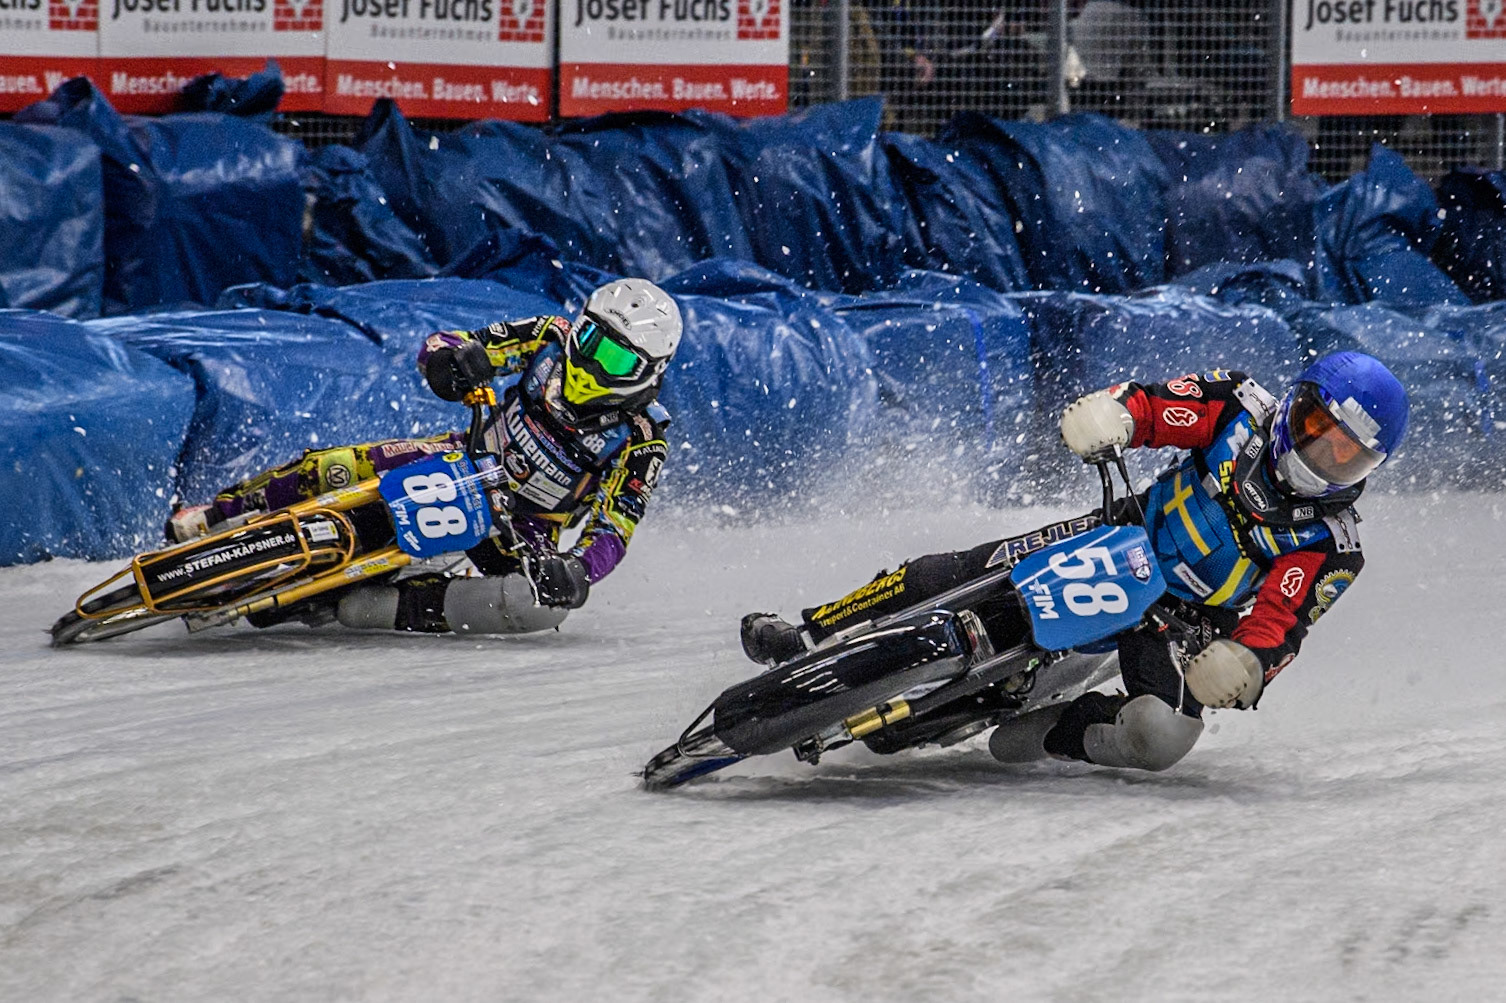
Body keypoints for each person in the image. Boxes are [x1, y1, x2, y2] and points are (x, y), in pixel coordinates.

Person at [740, 352, 1409, 772]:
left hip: (1176, 622)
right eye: (1321, 431)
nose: (1325, 455)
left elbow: (1281, 620)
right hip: (1117, 534)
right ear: (1299, 405)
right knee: (941, 574)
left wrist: (1246, 661)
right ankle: (809, 630)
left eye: (1348, 454)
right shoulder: (1239, 406)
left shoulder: (1330, 545)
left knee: (1160, 736)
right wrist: (1114, 415)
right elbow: (1154, 407)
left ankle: (1058, 731)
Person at [166, 277, 682, 635]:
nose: (587, 359)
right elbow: (457, 341)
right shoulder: (550, 337)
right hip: (462, 457)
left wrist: (576, 570)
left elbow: (614, 529)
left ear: (645, 371)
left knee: (539, 610)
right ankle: (219, 513)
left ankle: (378, 607)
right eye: (590, 336)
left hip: (522, 526)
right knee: (333, 466)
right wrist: (450, 360)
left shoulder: (643, 437)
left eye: (611, 355)